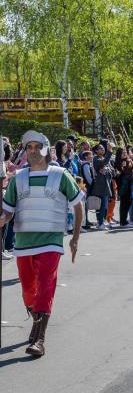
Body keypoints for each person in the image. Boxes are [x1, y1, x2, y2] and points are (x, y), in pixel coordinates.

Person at [0, 130, 84, 357]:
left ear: (46, 149)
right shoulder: (19, 178)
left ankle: (39, 338)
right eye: (29, 147)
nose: (33, 151)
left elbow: (78, 205)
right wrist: (3, 219)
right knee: (28, 288)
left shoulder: (61, 175)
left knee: (46, 284)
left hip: (51, 241)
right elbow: (8, 210)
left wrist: (75, 237)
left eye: (38, 146)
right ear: (25, 151)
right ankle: (36, 318)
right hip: (24, 242)